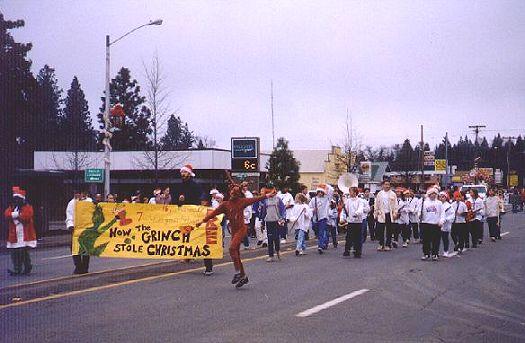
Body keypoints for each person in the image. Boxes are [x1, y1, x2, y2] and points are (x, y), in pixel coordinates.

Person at [196, 184, 272, 288]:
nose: (232, 194)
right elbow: (214, 213)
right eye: (231, 192)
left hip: (241, 229)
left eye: (234, 193)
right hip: (234, 231)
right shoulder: (225, 205)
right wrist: (202, 221)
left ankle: (237, 272)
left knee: (232, 248)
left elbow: (255, 199)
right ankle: (243, 276)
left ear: (238, 195)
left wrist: (267, 195)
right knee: (236, 254)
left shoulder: (241, 202)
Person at [173, 164, 214, 275]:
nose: (183, 174)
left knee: (201, 239)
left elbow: (201, 199)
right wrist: (180, 200)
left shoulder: (196, 186)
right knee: (186, 238)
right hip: (185, 217)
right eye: (182, 172)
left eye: (185, 172)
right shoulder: (179, 186)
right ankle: (188, 256)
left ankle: (208, 266)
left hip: (196, 217)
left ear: (189, 174)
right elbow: (175, 203)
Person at [4, 187, 36, 276]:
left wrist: (15, 215)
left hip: (24, 233)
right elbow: (7, 214)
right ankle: (17, 269)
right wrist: (17, 214)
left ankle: (27, 267)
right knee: (14, 252)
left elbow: (26, 217)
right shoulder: (13, 207)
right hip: (14, 234)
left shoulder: (27, 207)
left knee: (23, 252)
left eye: (18, 199)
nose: (16, 201)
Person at [258, 183, 286, 262]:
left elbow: (283, 209)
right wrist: (262, 222)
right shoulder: (266, 200)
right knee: (270, 239)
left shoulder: (278, 199)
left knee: (276, 238)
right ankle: (271, 255)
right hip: (268, 221)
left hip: (277, 221)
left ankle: (277, 251)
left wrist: (283, 218)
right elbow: (263, 212)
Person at [66, 189, 92, 274]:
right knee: (74, 248)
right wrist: (70, 225)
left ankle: (85, 267)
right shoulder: (72, 203)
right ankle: (78, 266)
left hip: (86, 227)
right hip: (76, 228)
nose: (77, 195)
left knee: (85, 248)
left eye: (78, 193)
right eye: (75, 194)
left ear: (82, 194)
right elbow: (69, 215)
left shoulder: (88, 201)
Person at [420, 187, 444, 261]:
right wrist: (419, 216)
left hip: (436, 224)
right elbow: (419, 211)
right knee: (426, 240)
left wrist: (441, 221)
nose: (433, 195)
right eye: (431, 194)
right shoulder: (424, 202)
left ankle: (435, 254)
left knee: (436, 240)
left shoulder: (439, 203)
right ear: (429, 194)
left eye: (435, 194)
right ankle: (426, 253)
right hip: (426, 223)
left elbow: (442, 213)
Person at [374, 181, 398, 251]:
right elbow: (376, 204)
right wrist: (376, 213)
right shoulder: (379, 194)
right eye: (385, 184)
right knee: (380, 230)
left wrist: (395, 213)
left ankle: (388, 244)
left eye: (388, 184)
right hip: (381, 213)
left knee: (389, 230)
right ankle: (381, 244)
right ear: (382, 185)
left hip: (389, 214)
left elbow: (395, 205)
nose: (387, 186)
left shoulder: (393, 194)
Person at [340, 187, 364, 258]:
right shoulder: (348, 201)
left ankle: (357, 251)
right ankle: (347, 250)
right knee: (349, 237)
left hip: (358, 221)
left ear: (355, 192)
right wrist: (342, 218)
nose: (350, 193)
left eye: (351, 191)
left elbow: (360, 209)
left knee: (358, 237)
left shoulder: (360, 200)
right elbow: (344, 210)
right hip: (350, 221)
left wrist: (356, 213)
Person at [309, 184, 332, 254]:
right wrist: (313, 210)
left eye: (322, 192)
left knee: (321, 232)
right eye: (319, 192)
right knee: (316, 230)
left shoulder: (326, 199)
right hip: (315, 218)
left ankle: (320, 246)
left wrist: (325, 186)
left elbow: (331, 191)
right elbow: (309, 208)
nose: (320, 193)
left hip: (323, 217)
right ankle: (321, 242)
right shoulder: (313, 199)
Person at [439, 192, 454, 257]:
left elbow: (452, 215)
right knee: (436, 239)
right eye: (440, 197)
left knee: (445, 238)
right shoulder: (437, 204)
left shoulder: (449, 206)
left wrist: (446, 219)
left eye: (443, 197)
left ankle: (446, 250)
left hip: (445, 225)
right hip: (437, 224)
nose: (441, 198)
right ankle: (436, 251)